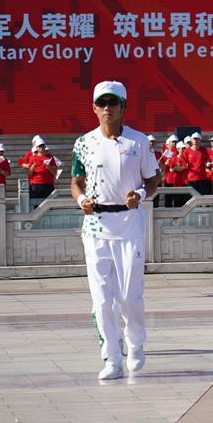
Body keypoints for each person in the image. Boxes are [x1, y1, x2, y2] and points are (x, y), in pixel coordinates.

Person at [70, 80, 160, 380]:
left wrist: (141, 195)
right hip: (96, 224)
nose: (107, 108)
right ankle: (111, 357)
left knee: (130, 295)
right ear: (94, 108)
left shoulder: (139, 142)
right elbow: (76, 182)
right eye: (101, 103)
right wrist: (82, 200)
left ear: (124, 107)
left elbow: (152, 179)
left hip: (129, 223)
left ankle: (135, 344)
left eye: (113, 102)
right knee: (101, 298)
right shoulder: (84, 143)